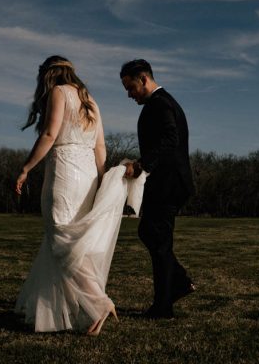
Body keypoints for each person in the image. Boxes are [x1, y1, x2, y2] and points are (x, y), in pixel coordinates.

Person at [15, 55, 127, 335]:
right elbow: (100, 147)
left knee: (61, 237)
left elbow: (50, 133)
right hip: (88, 174)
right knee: (75, 241)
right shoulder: (91, 100)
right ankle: (74, 309)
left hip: (65, 171)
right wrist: (101, 181)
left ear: (48, 75)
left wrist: (26, 167)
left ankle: (99, 303)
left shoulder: (58, 92)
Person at [120, 59, 195, 319]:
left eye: (130, 88)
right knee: (149, 233)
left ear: (143, 79)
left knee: (158, 239)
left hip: (169, 184)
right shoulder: (164, 102)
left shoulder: (161, 103)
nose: (129, 94)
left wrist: (142, 165)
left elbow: (170, 139)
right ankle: (179, 282)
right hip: (167, 183)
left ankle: (164, 306)